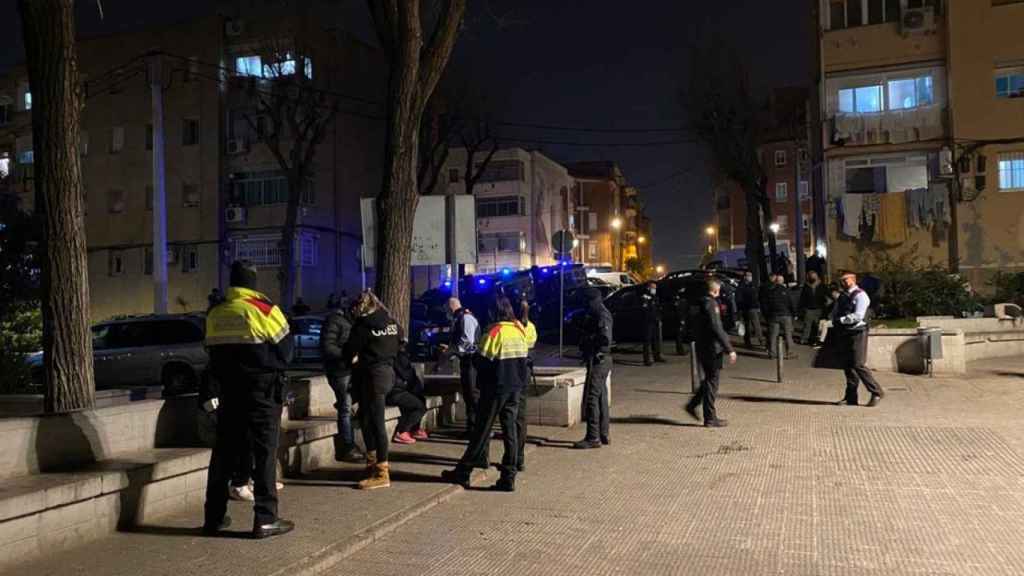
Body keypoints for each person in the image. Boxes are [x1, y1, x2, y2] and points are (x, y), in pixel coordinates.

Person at [202, 261, 294, 539]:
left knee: (223, 457)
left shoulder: (215, 312)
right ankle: (265, 519)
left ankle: (214, 518)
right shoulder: (264, 310)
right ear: (253, 282)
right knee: (264, 454)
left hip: (229, 393)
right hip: (262, 394)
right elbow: (286, 352)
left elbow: (211, 354)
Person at [442, 295, 531, 491]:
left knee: (481, 431)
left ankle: (463, 472)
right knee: (510, 432)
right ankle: (508, 477)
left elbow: (481, 361)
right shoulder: (519, 330)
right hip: (515, 388)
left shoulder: (494, 332)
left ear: (492, 312)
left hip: (495, 389)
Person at [344, 290, 400, 490]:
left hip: (371, 378)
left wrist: (357, 358)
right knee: (368, 420)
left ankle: (381, 472)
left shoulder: (362, 326)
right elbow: (401, 345)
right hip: (387, 374)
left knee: (375, 423)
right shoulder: (392, 323)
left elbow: (348, 350)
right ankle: (372, 464)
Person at [685, 279, 737, 427]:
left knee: (709, 379)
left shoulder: (697, 303)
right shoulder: (711, 303)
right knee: (712, 381)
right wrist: (730, 349)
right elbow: (716, 327)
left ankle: (693, 404)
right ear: (715, 290)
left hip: (702, 346)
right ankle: (710, 418)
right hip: (712, 348)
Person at [832, 272, 885, 407]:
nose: (843, 282)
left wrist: (841, 320)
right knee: (848, 366)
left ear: (853, 280)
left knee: (858, 364)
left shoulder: (861, 295)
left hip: (857, 332)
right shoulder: (843, 295)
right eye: (841, 280)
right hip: (846, 332)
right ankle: (850, 397)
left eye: (845, 279)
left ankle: (877, 392)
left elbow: (858, 315)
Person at [320, 303, 363, 462]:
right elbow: (327, 347)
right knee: (345, 407)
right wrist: (348, 356)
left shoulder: (355, 322)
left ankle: (351, 442)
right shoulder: (335, 321)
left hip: (352, 370)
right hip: (340, 370)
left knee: (348, 405)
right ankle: (347, 446)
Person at [574, 287, 613, 449]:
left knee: (592, 397)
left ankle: (593, 437)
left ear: (592, 301)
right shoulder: (597, 313)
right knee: (600, 397)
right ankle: (603, 433)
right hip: (599, 359)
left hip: (599, 359)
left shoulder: (602, 314)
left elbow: (604, 339)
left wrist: (588, 340)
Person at [442, 298, 481, 435]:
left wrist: (452, 350)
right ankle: (471, 429)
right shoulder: (461, 317)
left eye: (447, 309)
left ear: (451, 307)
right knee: (469, 396)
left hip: (471, 362)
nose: (447, 313)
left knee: (472, 395)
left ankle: (475, 429)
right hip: (467, 361)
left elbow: (468, 343)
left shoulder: (466, 317)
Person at [388, 342, 429, 445]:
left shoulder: (393, 354)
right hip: (395, 391)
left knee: (420, 399)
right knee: (419, 406)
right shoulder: (399, 356)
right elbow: (409, 376)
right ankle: (402, 431)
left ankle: (414, 429)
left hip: (397, 390)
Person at [514, 298, 538, 470]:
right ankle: (519, 458)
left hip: (512, 373)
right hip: (525, 372)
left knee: (510, 417)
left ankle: (513, 457)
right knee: (521, 417)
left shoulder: (512, 327)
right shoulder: (530, 327)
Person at [765, 274, 797, 360]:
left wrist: (768, 314)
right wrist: (794, 314)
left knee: (773, 335)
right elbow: (791, 303)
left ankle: (772, 354)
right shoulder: (787, 291)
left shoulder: (770, 291)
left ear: (775, 281)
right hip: (786, 315)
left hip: (774, 316)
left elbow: (767, 304)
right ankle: (790, 353)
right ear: (782, 281)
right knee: (788, 335)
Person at [736, 271, 764, 350]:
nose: (750, 277)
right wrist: (740, 309)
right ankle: (751, 341)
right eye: (748, 276)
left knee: (755, 325)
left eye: (751, 276)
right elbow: (738, 299)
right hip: (746, 308)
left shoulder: (752, 285)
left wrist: (758, 306)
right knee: (749, 325)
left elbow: (756, 297)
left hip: (753, 308)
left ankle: (759, 340)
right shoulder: (741, 286)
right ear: (745, 277)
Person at [799, 271, 828, 346]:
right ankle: (804, 339)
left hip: (819, 308)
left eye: (814, 276)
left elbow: (827, 296)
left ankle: (816, 339)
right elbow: (802, 298)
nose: (813, 278)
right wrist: (802, 308)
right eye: (811, 276)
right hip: (809, 309)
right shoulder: (806, 286)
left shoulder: (822, 286)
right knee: (807, 325)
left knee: (818, 326)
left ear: (817, 276)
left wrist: (825, 305)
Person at [640, 281, 665, 366]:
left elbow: (657, 309)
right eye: (653, 288)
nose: (654, 289)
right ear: (648, 288)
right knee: (647, 341)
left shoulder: (655, 297)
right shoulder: (645, 297)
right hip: (647, 322)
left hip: (655, 321)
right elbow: (645, 309)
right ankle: (646, 360)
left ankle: (657, 356)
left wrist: (659, 318)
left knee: (656, 340)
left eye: (655, 288)